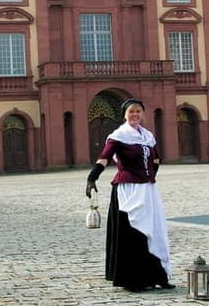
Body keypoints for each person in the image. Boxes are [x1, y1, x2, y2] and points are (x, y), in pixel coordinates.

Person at [85, 98, 174, 292]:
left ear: (142, 114)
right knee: (133, 233)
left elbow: (156, 158)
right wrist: (92, 178)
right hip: (128, 190)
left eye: (138, 112)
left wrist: (150, 176)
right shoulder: (119, 136)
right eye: (131, 112)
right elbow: (104, 158)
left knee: (154, 231)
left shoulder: (148, 136)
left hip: (147, 189)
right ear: (124, 114)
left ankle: (158, 276)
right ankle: (133, 280)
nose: (135, 115)